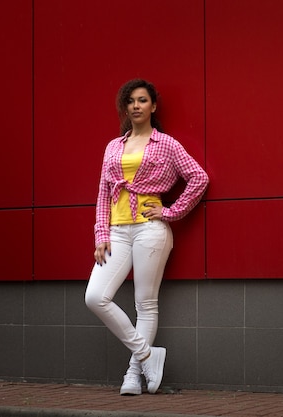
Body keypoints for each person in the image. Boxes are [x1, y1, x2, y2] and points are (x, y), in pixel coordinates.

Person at [85, 79, 208, 395]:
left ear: (153, 106)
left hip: (150, 231)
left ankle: (132, 375)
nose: (136, 106)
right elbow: (103, 194)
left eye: (142, 100)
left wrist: (170, 212)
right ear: (125, 107)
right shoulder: (114, 146)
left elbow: (198, 178)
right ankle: (147, 355)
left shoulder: (166, 144)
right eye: (131, 101)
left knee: (145, 304)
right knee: (95, 297)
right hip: (117, 232)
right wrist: (101, 234)